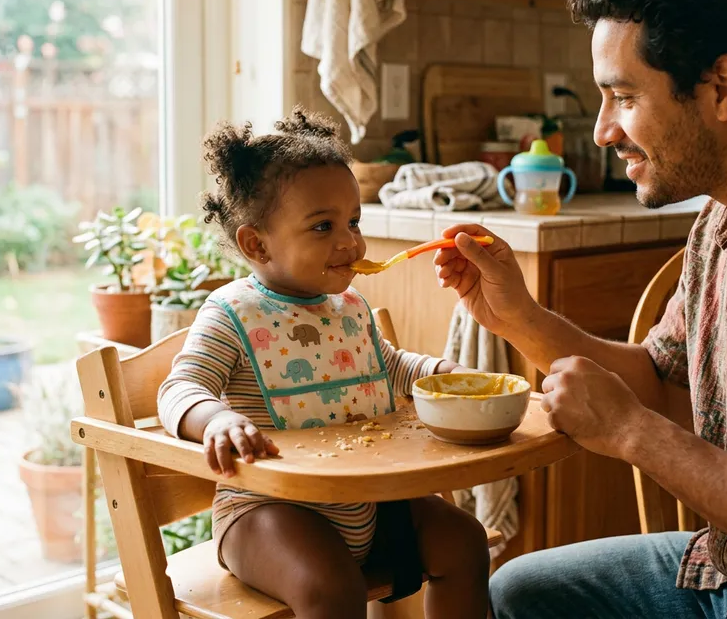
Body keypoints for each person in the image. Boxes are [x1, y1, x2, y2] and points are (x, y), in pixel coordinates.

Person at [435, 0, 727, 618]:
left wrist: (632, 434)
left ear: (722, 87)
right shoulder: (718, 227)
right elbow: (658, 382)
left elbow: (641, 416)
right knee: (517, 593)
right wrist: (521, 319)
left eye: (624, 97)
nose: (603, 130)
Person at [157, 108, 489, 619]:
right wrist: (217, 419)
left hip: (371, 502)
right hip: (267, 510)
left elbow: (390, 366)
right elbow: (181, 386)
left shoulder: (350, 307)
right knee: (331, 589)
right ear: (256, 243)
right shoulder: (231, 313)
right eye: (322, 226)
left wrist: (444, 377)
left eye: (353, 221)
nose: (348, 241)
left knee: (465, 540)